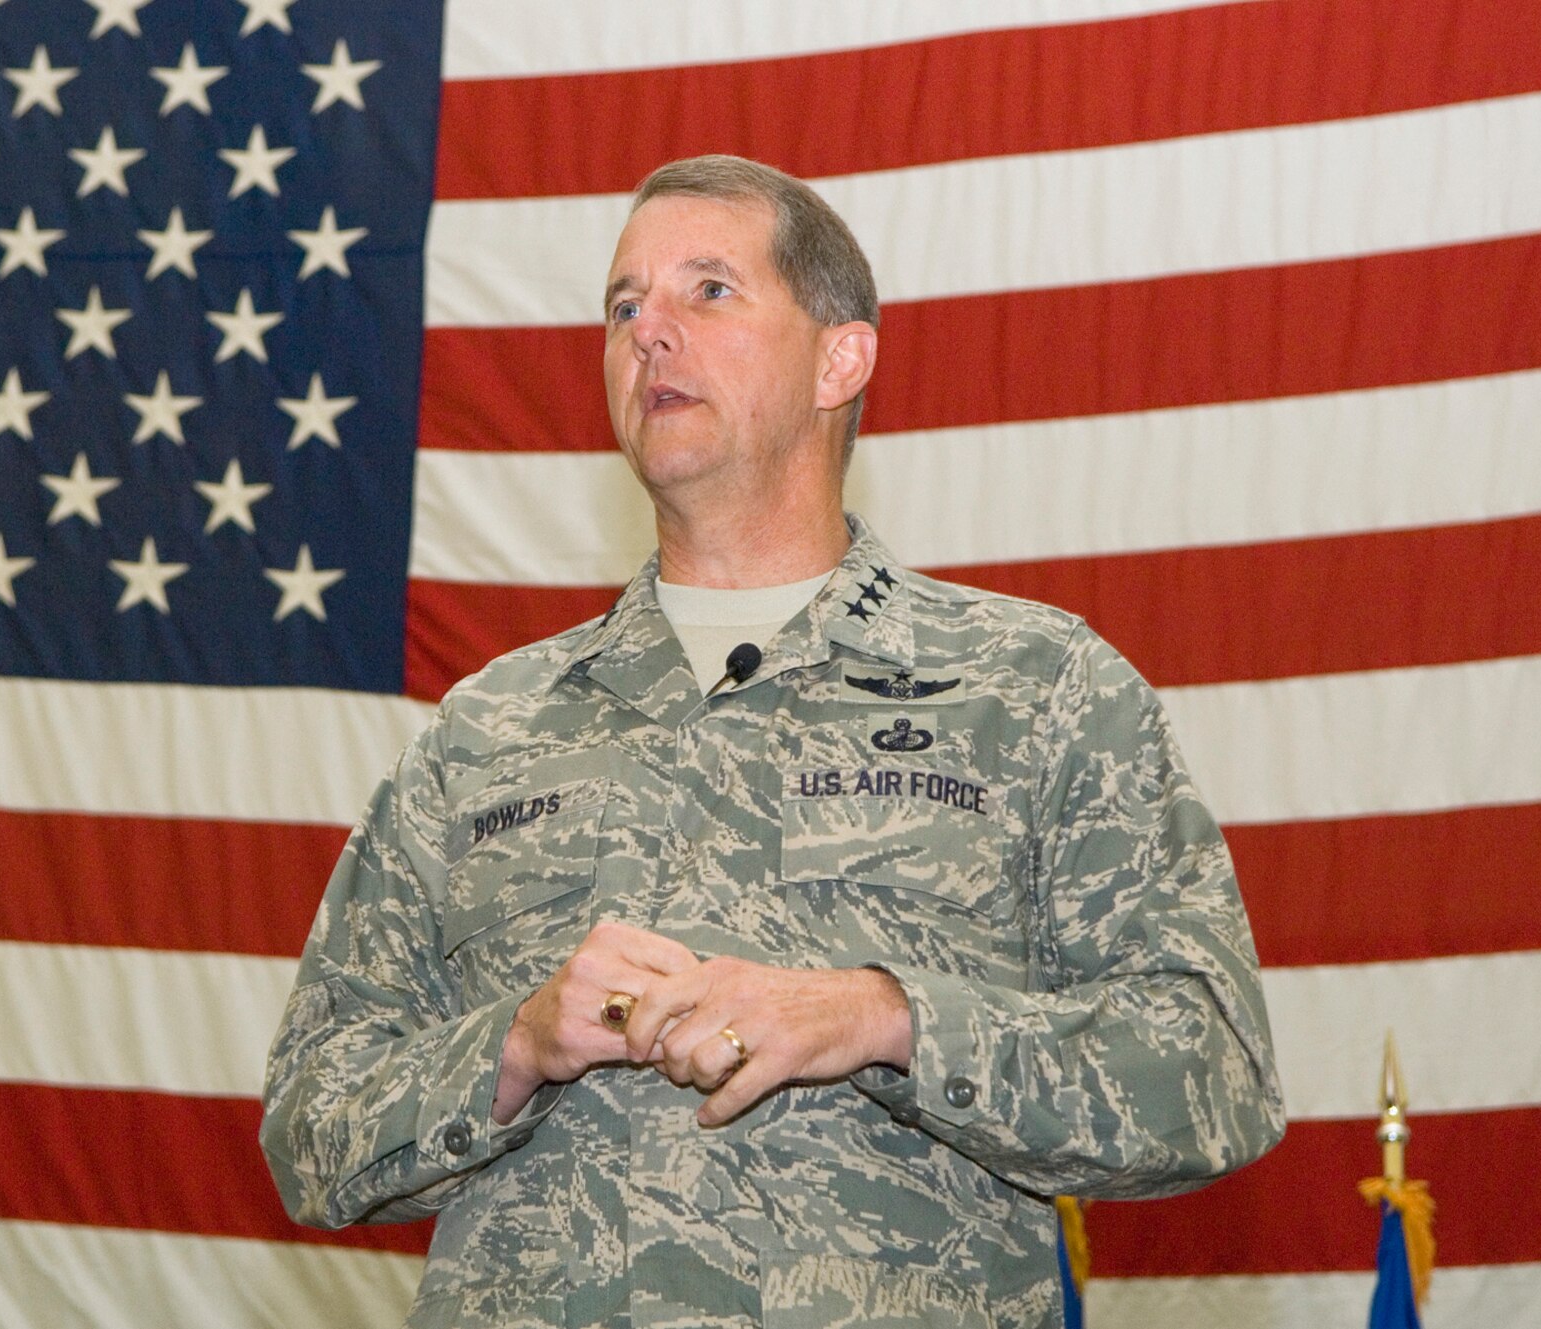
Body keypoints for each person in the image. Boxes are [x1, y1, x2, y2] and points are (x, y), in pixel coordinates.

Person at [262, 154, 1286, 1329]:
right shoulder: (488, 730)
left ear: (838, 359)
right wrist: (515, 1043)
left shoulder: (1032, 688)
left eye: (707, 291)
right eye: (623, 304)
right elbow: (308, 1127)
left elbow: (1210, 1075)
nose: (648, 332)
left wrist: (887, 1018)